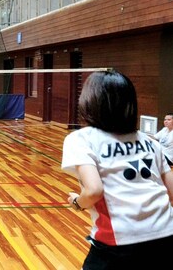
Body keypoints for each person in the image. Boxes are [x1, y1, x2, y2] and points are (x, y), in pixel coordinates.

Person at [61, 71, 173, 269]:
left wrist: (78, 203)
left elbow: (94, 190)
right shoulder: (151, 142)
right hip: (166, 233)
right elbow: (172, 193)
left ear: (89, 101)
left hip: (119, 240)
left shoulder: (81, 138)